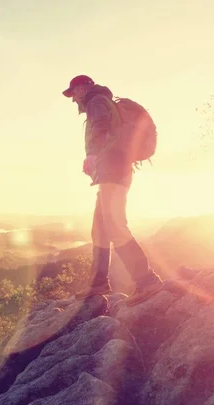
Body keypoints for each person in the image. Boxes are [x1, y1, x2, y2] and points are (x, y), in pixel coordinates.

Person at [62, 74, 164, 306]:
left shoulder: (96, 102)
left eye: (75, 92)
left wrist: (92, 154)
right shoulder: (100, 102)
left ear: (84, 88)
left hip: (115, 171)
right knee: (100, 227)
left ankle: (146, 280)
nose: (73, 99)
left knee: (114, 225)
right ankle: (97, 283)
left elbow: (101, 126)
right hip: (112, 172)